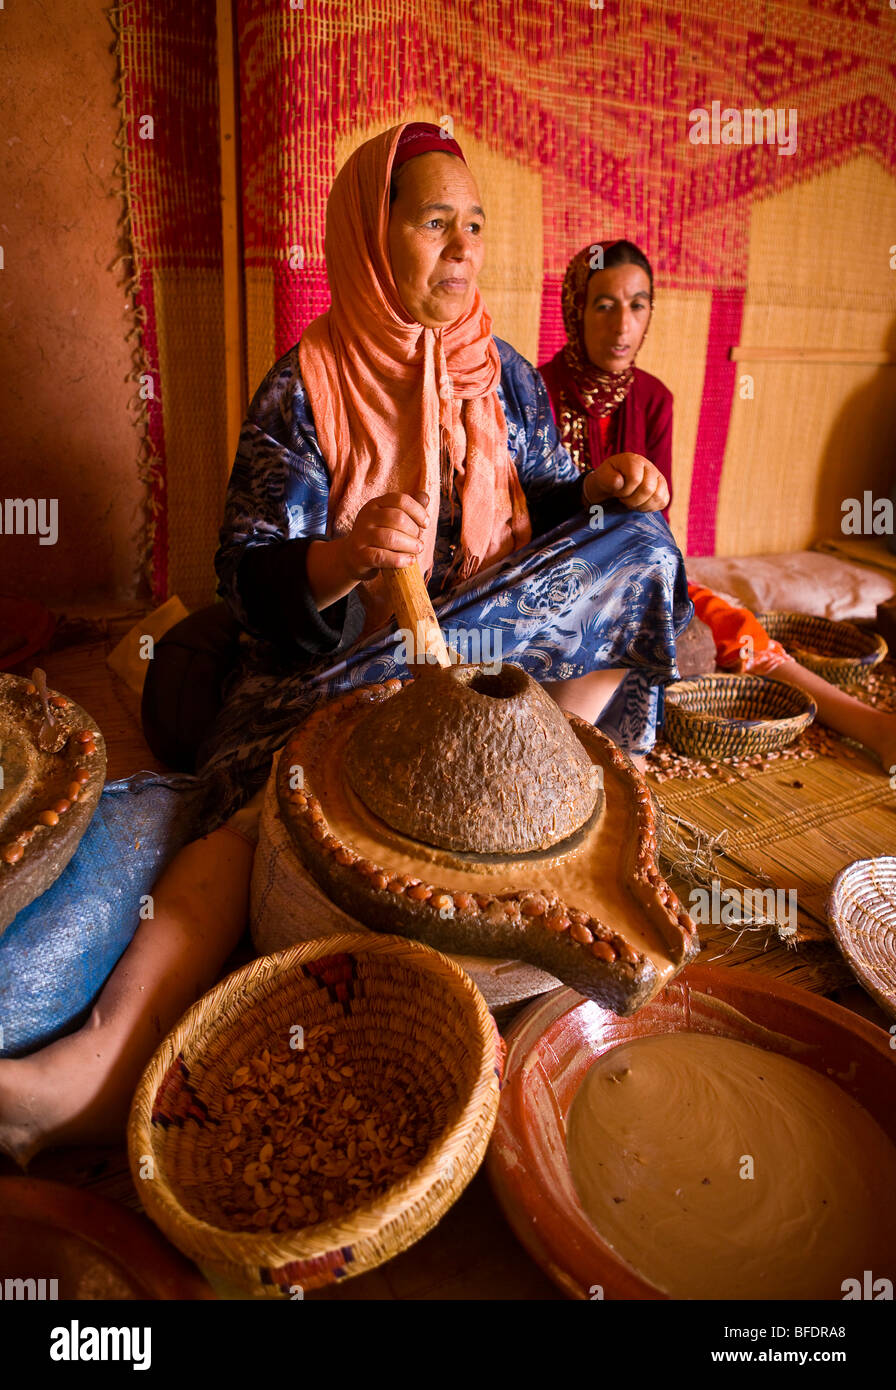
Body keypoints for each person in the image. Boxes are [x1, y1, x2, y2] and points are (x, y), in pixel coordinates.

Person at [0, 126, 690, 1164]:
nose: (460, 250)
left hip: (488, 651)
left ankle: (515, 745)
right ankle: (97, 1061)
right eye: (430, 224)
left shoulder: (499, 373)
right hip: (335, 679)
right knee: (258, 803)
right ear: (370, 236)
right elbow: (249, 576)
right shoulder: (306, 383)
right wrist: (349, 554)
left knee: (641, 546)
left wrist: (595, 488)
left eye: (474, 226)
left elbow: (543, 508)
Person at [539, 238, 896, 772]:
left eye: (638, 305)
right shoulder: (537, 390)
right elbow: (529, 507)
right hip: (554, 564)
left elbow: (658, 517)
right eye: (604, 304)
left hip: (637, 564)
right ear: (576, 309)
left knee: (724, 619)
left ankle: (871, 724)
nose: (622, 326)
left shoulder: (655, 398)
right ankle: (560, 756)